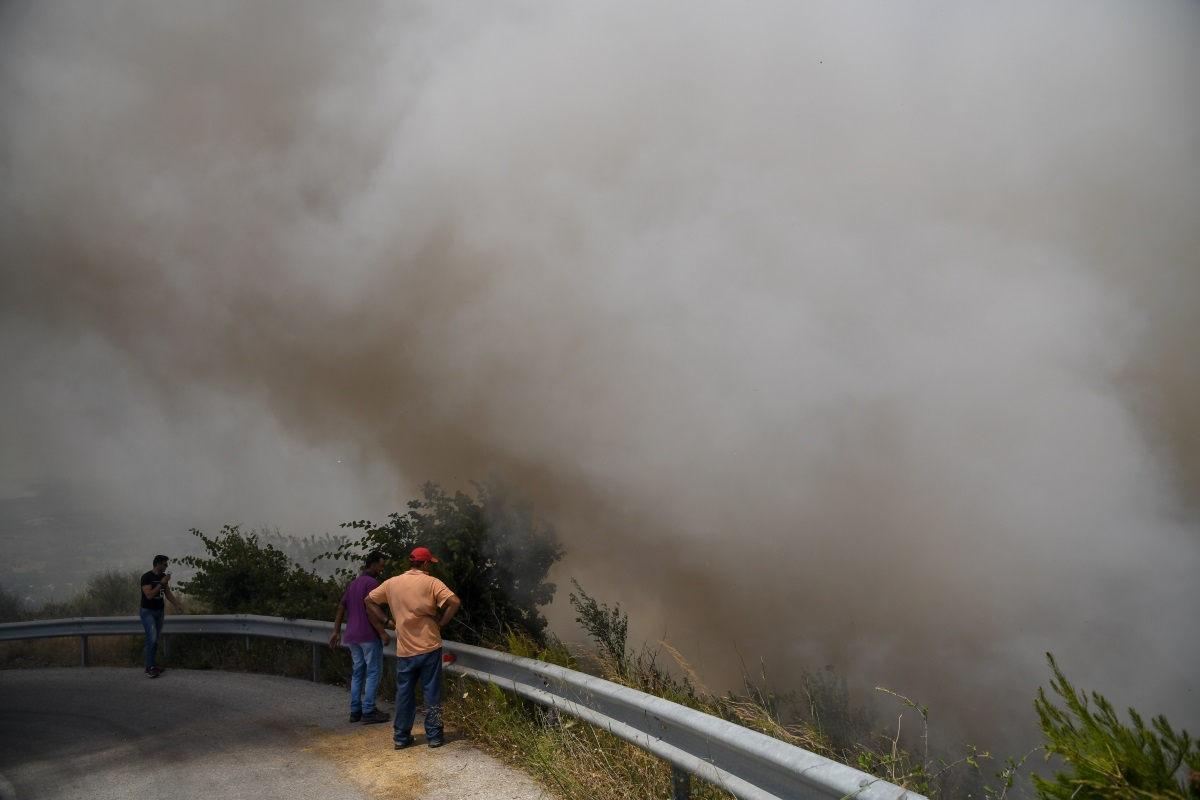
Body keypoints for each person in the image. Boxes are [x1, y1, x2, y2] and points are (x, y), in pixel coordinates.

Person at [366, 546, 460, 750]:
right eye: (430, 564)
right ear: (425, 564)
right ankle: (434, 736)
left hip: (405, 650)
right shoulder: (432, 582)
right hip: (430, 646)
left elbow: (369, 601)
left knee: (404, 694)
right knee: (431, 692)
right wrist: (442, 622)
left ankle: (401, 737)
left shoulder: (392, 583)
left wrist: (387, 621)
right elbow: (454, 601)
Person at [329, 550, 391, 724]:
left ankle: (355, 710)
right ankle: (369, 710)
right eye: (381, 565)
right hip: (368, 635)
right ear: (373, 565)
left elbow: (341, 607)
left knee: (358, 673)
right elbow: (371, 609)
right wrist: (382, 631)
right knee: (373, 673)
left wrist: (336, 631)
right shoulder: (372, 583)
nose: (382, 569)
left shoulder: (353, 584)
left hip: (352, 636)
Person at [140, 555, 183, 678]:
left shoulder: (162, 577)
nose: (166, 566)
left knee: (156, 639)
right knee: (152, 638)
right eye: (164, 564)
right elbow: (149, 595)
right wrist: (161, 583)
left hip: (159, 611)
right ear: (157, 564)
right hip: (147, 611)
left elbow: (167, 593)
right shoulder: (147, 577)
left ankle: (152, 665)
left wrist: (176, 604)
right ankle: (149, 668)